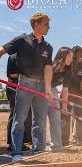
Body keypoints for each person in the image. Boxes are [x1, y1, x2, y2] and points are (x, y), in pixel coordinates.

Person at [0, 13, 53, 162]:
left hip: (42, 85)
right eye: (46, 24)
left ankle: (38, 151)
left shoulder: (48, 47)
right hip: (25, 83)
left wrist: (48, 87)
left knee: (40, 120)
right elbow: (2, 51)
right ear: (37, 24)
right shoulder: (22, 40)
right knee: (20, 118)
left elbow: (48, 68)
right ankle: (16, 152)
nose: (49, 27)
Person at [61, 46, 82, 145]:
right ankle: (64, 141)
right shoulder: (69, 64)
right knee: (65, 117)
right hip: (67, 92)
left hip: (78, 94)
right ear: (74, 54)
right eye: (80, 53)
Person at [48, 47, 73, 150]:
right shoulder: (51, 67)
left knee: (56, 119)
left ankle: (56, 145)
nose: (71, 59)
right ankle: (38, 146)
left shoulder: (68, 70)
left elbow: (65, 89)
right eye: (69, 56)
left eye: (72, 57)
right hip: (42, 88)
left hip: (52, 90)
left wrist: (65, 106)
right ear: (62, 56)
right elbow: (46, 82)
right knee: (39, 119)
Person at [6, 54, 32, 151]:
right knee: (15, 114)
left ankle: (23, 140)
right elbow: (12, 74)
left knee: (27, 115)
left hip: (25, 89)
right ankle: (12, 143)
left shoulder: (27, 57)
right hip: (13, 88)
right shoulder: (13, 57)